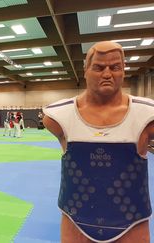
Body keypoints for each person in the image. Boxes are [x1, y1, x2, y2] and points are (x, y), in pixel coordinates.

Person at [43, 41, 154, 243]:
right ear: (85, 70)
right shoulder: (57, 116)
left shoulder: (148, 115)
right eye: (99, 67)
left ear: (123, 71)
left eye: (115, 67)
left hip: (131, 224)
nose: (107, 74)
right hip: (76, 222)